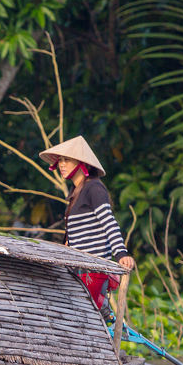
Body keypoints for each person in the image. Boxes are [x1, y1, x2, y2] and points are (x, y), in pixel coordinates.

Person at [38, 136, 135, 319]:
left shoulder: (94, 189)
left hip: (92, 270)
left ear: (81, 162)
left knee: (83, 317)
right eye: (60, 160)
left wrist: (121, 254)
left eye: (67, 160)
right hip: (77, 267)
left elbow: (108, 221)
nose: (62, 164)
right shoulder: (75, 192)